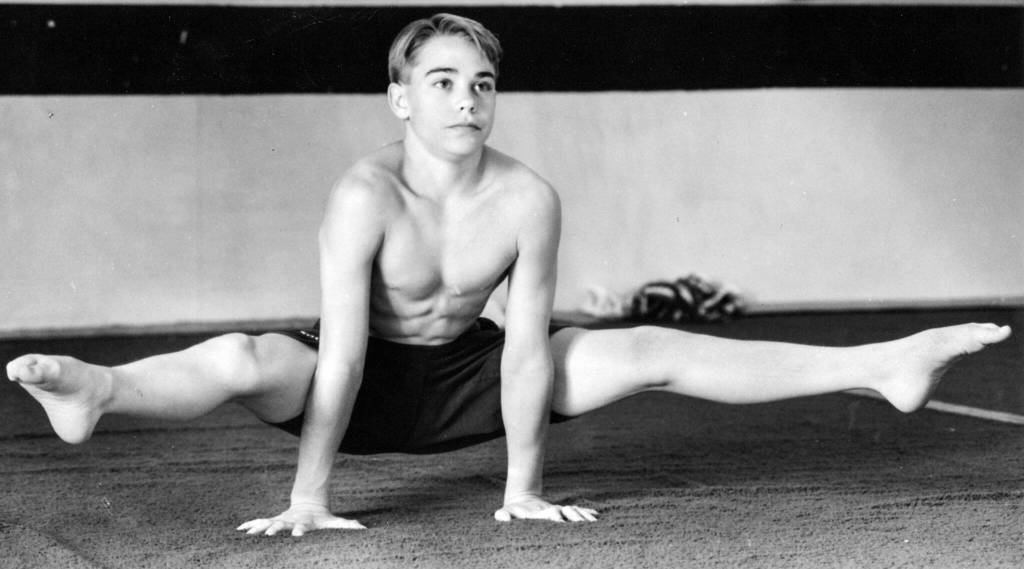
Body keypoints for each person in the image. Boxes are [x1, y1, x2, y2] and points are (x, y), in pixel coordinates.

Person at [5, 13, 1012, 537]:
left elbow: (525, 347)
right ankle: (101, 388)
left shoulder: (527, 197)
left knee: (637, 346)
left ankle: (880, 361)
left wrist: (523, 488)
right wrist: (309, 494)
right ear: (397, 96)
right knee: (244, 353)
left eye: (482, 84)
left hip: (469, 379)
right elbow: (344, 354)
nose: (466, 100)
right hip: (350, 380)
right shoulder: (363, 193)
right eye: (441, 82)